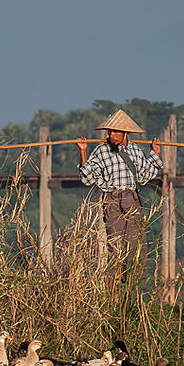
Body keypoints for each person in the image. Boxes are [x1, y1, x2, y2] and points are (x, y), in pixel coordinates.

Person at [76, 110, 162, 275]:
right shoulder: (102, 151)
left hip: (132, 200)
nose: (111, 135)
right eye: (110, 131)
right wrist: (83, 151)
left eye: (116, 131)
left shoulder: (135, 151)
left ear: (126, 133)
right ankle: (113, 284)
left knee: (135, 245)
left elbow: (145, 176)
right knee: (115, 245)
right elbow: (87, 178)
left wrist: (155, 153)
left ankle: (131, 285)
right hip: (113, 201)